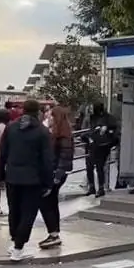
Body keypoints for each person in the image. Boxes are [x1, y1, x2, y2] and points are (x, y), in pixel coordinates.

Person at [0, 99, 54, 261]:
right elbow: (47, 160)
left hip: (12, 177)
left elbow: (2, 153)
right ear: (38, 112)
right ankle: (18, 247)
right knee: (28, 214)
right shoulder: (42, 132)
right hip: (33, 179)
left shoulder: (11, 127)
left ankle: (15, 240)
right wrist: (48, 182)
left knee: (14, 211)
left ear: (23, 110)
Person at [37, 105, 74, 249]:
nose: (48, 117)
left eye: (51, 115)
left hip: (55, 174)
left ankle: (53, 234)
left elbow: (65, 157)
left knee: (46, 202)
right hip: (54, 173)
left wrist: (56, 177)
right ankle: (54, 233)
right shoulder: (56, 133)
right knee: (51, 202)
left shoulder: (63, 136)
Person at [83, 102, 119, 197]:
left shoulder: (108, 118)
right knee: (89, 166)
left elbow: (114, 130)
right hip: (92, 144)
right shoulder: (91, 118)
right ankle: (92, 187)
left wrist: (106, 130)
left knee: (99, 167)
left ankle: (101, 188)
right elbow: (87, 130)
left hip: (102, 145)